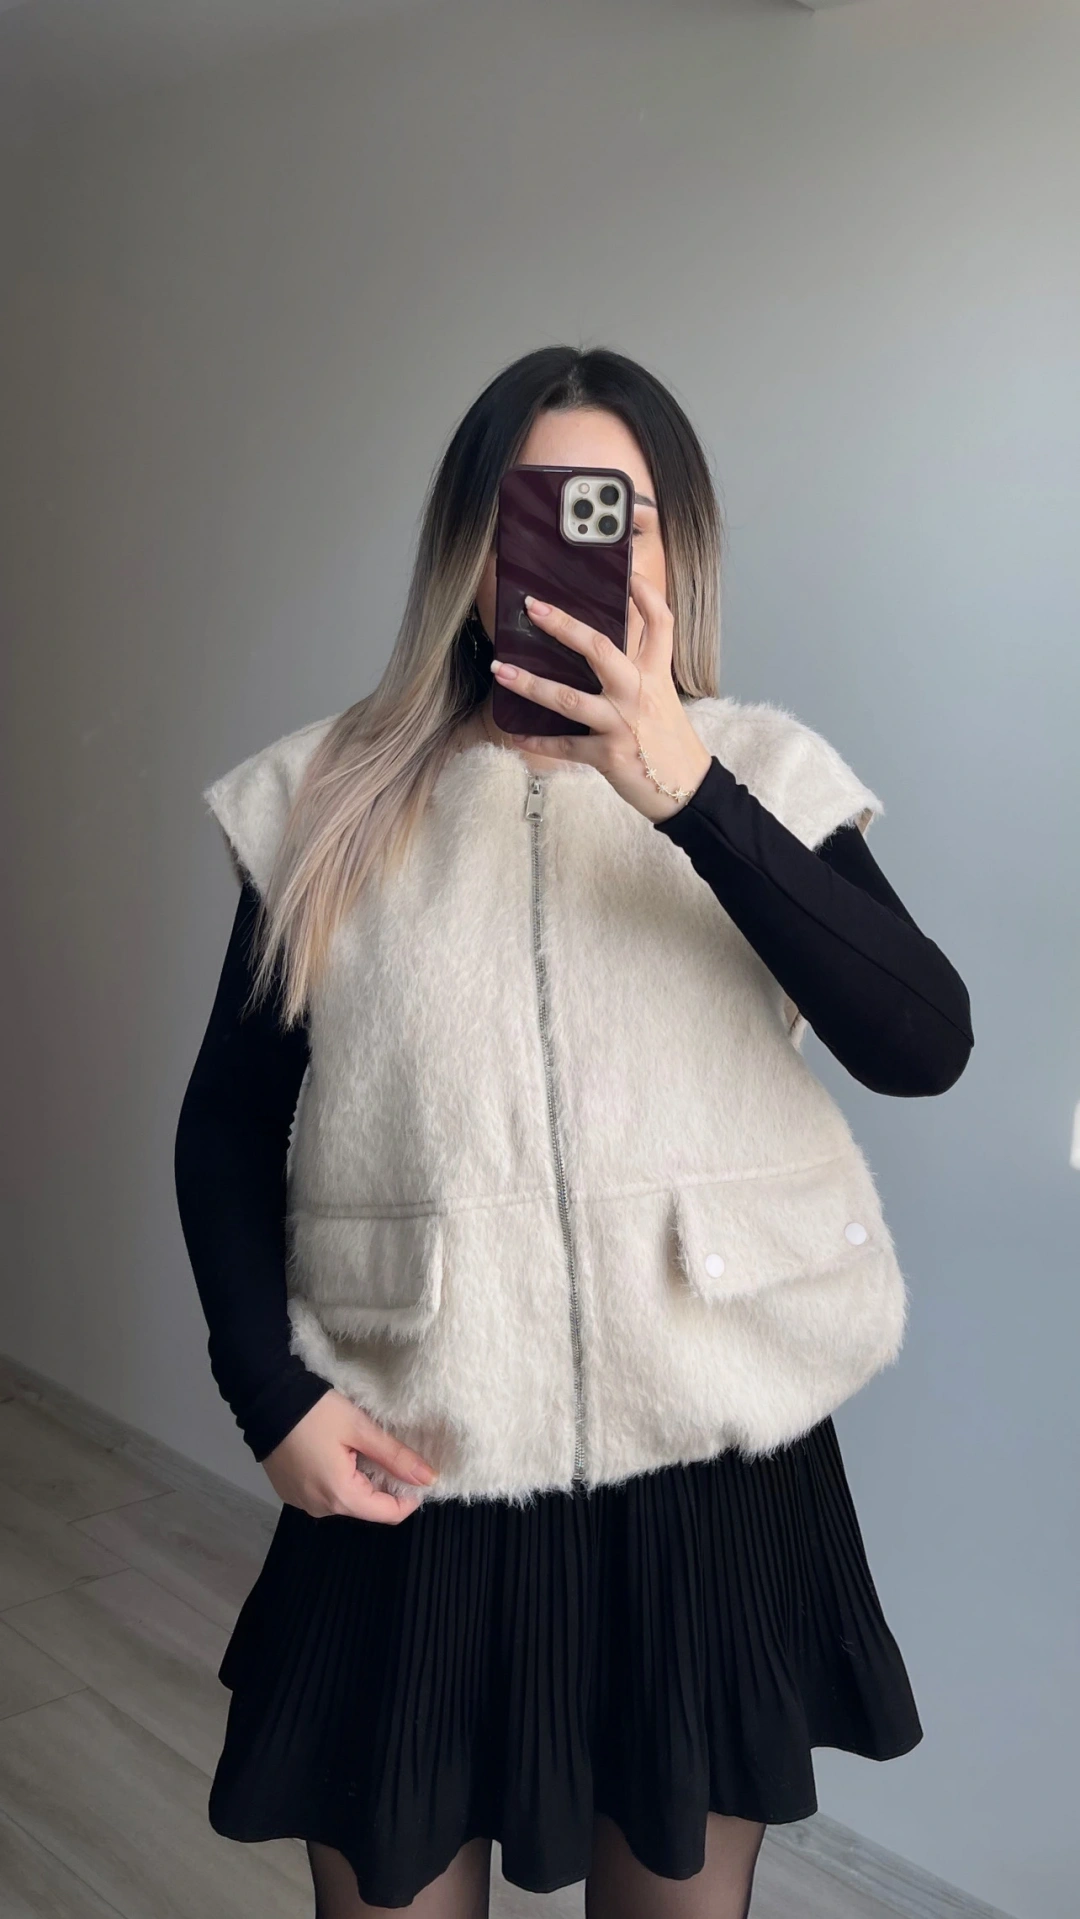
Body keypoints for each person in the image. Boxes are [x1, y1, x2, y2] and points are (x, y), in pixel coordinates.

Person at [174, 345, 973, 1919]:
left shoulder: (762, 776)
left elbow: (922, 1039)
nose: (572, 544)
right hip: (415, 1467)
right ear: (470, 546)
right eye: (530, 508)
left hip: (710, 1476)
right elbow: (226, 1126)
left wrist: (684, 787)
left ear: (677, 548)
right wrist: (268, 1394)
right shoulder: (328, 795)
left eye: (620, 511)